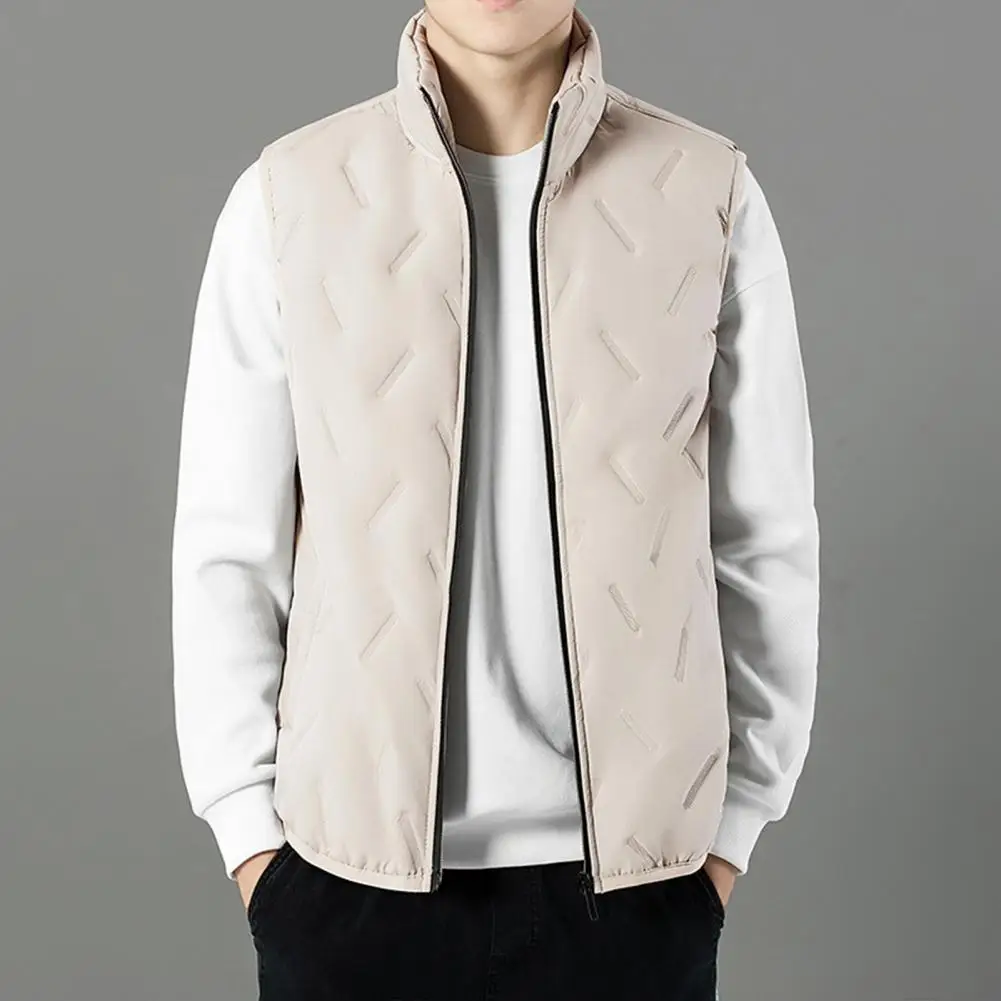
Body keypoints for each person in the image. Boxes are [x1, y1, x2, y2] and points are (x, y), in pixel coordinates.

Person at [171, 3, 820, 998]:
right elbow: (227, 547)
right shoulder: (288, 196)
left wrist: (730, 831)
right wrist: (253, 842)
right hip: (345, 893)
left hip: (635, 899)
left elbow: (764, 536)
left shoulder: (705, 191)